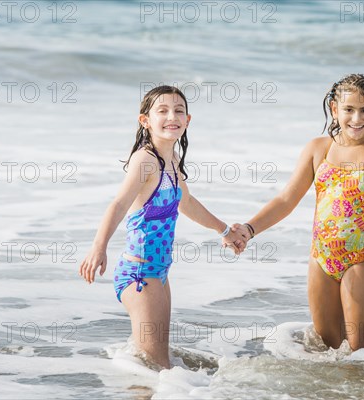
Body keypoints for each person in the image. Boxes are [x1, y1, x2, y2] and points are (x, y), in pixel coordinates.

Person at [233, 74, 364, 351]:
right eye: (348, 110)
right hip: (321, 260)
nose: (357, 118)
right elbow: (285, 199)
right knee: (327, 353)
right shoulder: (319, 149)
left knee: (362, 355)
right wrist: (249, 229)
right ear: (333, 109)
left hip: (361, 261)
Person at [79, 85, 245, 369]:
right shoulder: (146, 160)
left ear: (188, 120)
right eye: (163, 110)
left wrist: (225, 231)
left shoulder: (171, 159)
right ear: (145, 120)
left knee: (156, 362)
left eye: (179, 110)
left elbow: (187, 203)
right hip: (140, 274)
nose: (172, 116)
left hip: (159, 271)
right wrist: (99, 247)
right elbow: (119, 204)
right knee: (155, 366)